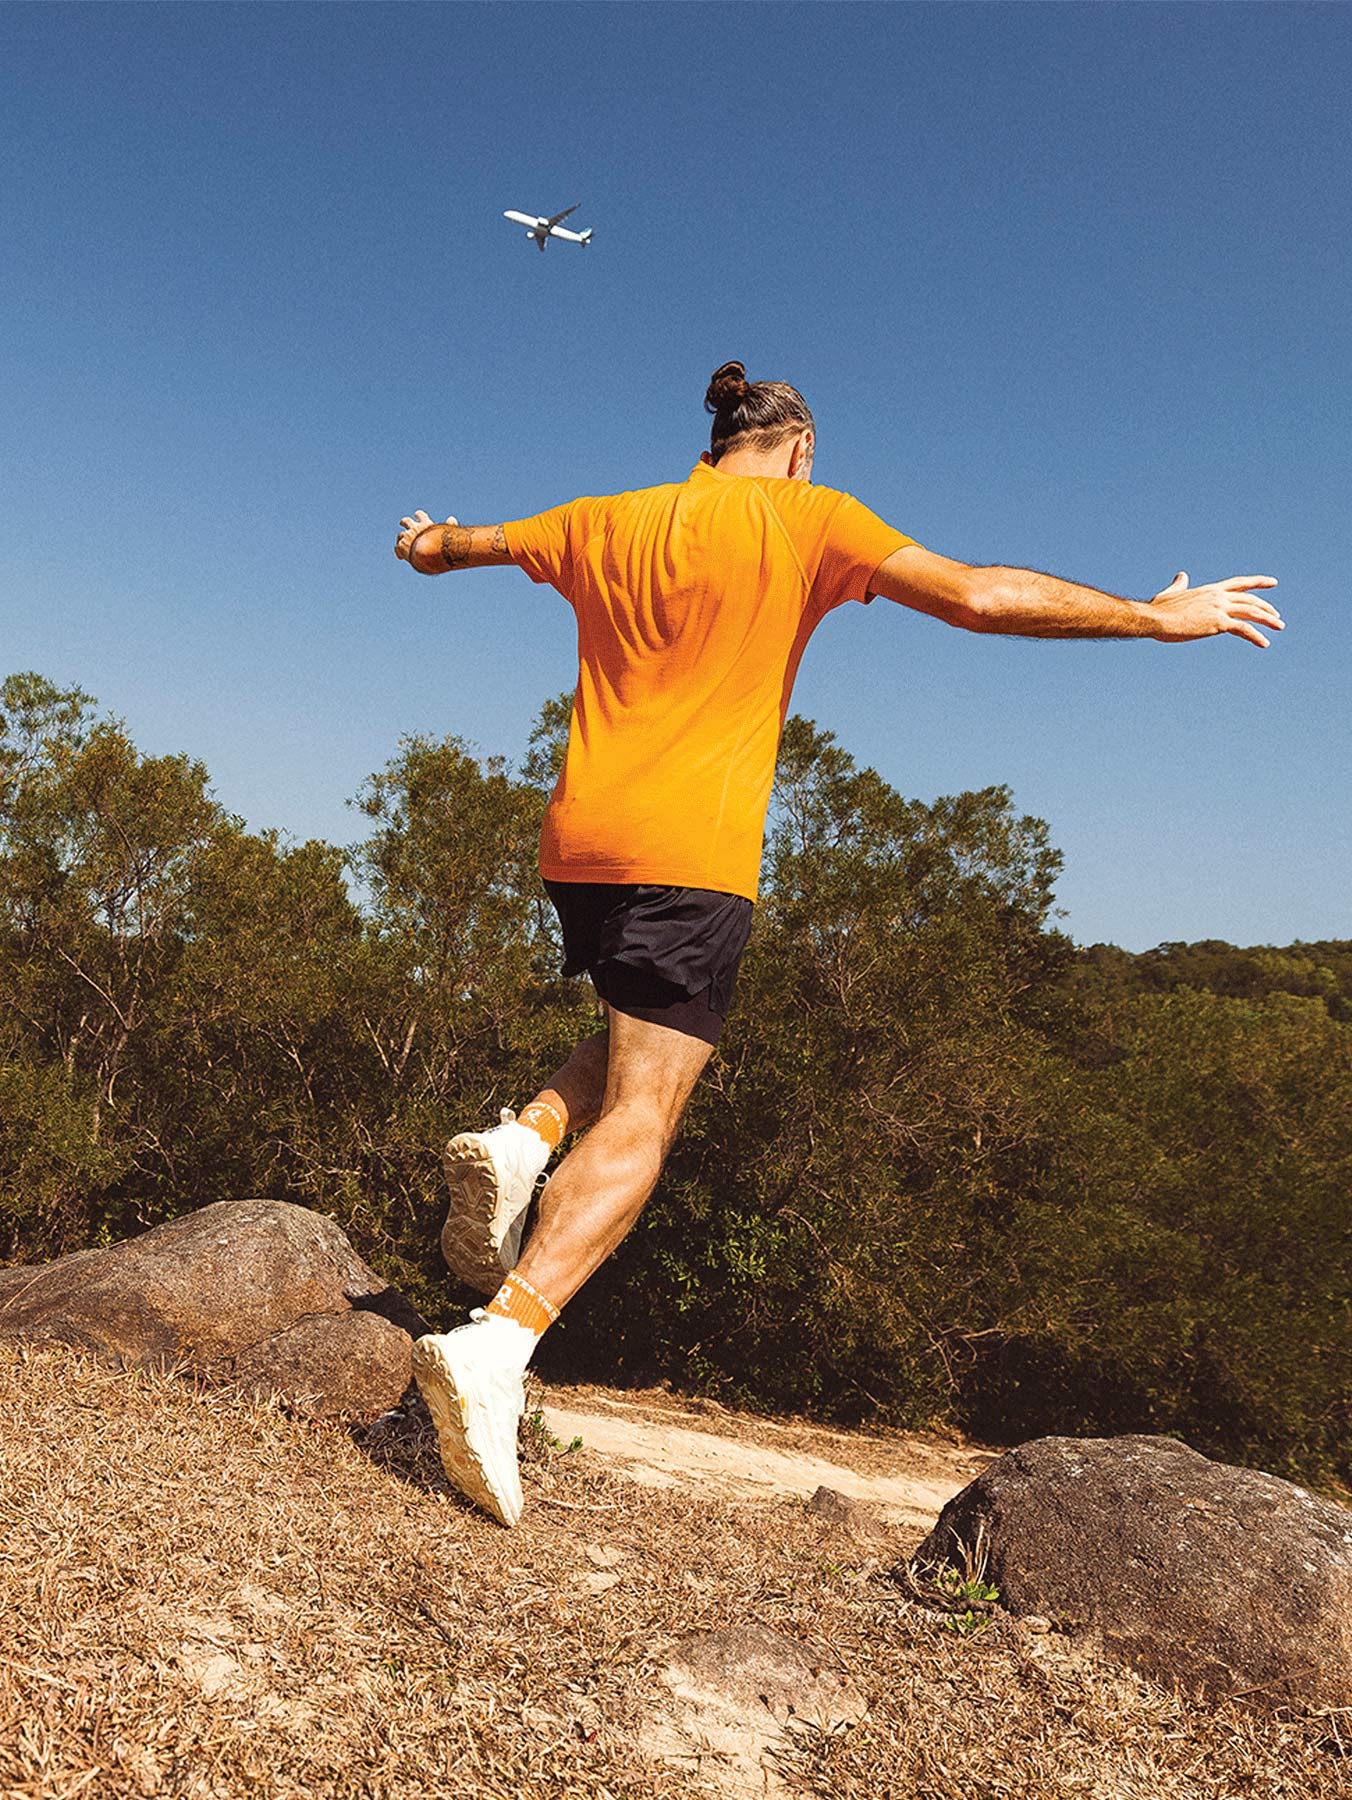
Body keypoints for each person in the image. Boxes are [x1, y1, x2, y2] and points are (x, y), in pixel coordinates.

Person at [394, 360, 1282, 1526]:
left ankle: (524, 1137)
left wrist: (423, 541)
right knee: (649, 1113)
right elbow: (978, 596)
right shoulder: (807, 517)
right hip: (689, 850)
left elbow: (457, 546)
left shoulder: (601, 519)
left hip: (579, 842)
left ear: (717, 440)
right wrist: (1154, 617)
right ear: (800, 447)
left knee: (644, 1034)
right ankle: (498, 1345)